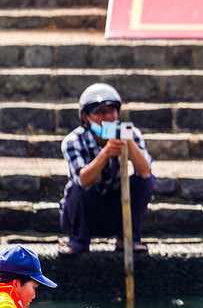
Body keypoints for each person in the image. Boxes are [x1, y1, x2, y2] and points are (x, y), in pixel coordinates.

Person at [59, 83, 155, 255]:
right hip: (88, 210)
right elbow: (83, 180)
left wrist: (129, 143)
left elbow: (145, 172)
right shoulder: (73, 141)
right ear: (85, 116)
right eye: (100, 112)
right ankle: (78, 241)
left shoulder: (132, 134)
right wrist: (105, 154)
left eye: (112, 111)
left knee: (146, 181)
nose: (108, 117)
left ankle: (127, 239)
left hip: (117, 208)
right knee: (75, 188)